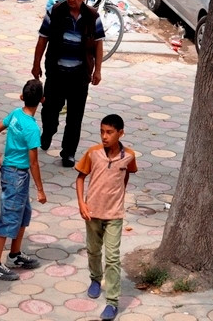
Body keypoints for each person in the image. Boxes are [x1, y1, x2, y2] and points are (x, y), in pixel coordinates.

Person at [32, 0, 104, 167]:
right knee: (49, 110)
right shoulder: (55, 11)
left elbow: (98, 44)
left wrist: (98, 70)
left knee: (75, 115)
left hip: (79, 75)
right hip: (56, 72)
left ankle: (68, 153)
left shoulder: (92, 16)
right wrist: (36, 63)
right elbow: (42, 39)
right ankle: (48, 132)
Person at [75, 114, 137, 321]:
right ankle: (95, 278)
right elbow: (81, 177)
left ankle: (112, 301)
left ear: (120, 133)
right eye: (102, 131)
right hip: (92, 212)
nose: (104, 136)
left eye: (109, 132)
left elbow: (126, 173)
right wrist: (82, 203)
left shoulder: (129, 155)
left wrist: (120, 193)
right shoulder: (93, 153)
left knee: (112, 257)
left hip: (114, 215)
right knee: (93, 250)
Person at [0, 79, 46, 281]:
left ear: (22, 97)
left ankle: (15, 254)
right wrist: (40, 189)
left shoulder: (15, 115)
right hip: (17, 176)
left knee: (23, 213)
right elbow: (34, 163)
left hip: (12, 174)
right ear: (42, 100)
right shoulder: (32, 129)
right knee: (8, 217)